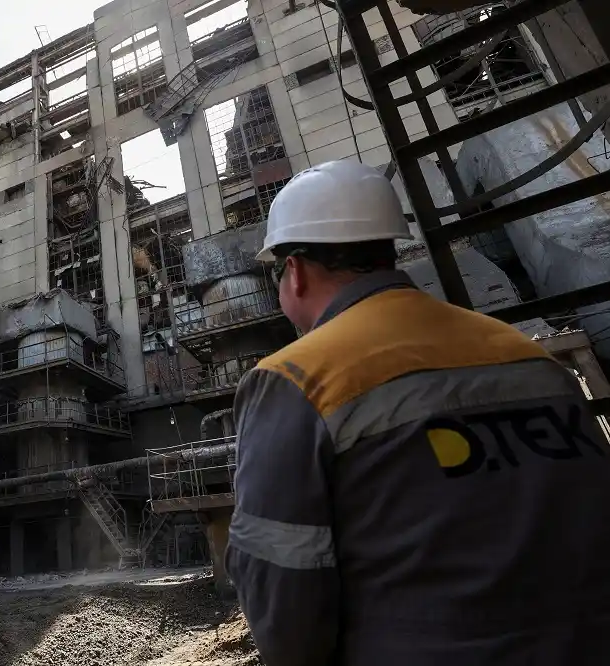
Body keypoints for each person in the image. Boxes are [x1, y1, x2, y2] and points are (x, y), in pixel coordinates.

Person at [225, 159, 610, 666]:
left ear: (294, 272)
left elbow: (283, 595)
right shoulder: (526, 354)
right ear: (387, 251)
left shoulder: (297, 378)